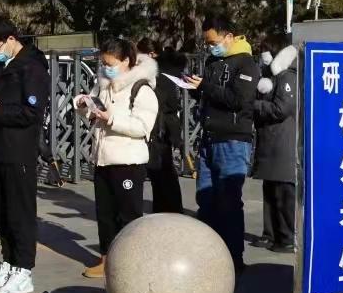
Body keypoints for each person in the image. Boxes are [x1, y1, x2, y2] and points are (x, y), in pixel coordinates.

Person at [0, 16, 50, 293]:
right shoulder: (1, 63)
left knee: (20, 212)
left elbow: (31, 113)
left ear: (10, 39)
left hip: (18, 149)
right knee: (0, 210)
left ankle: (24, 269)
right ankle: (7, 262)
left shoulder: (32, 67)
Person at [75, 39, 159, 278]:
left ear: (126, 61)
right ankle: (107, 259)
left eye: (110, 64)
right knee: (105, 214)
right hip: (103, 159)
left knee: (128, 214)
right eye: (103, 63)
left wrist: (111, 119)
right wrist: (83, 105)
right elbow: (92, 111)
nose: (106, 68)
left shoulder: (141, 88)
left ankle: (131, 262)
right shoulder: (103, 84)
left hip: (128, 162)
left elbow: (142, 127)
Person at [186, 16, 260, 275]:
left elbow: (239, 100)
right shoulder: (212, 62)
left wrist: (206, 86)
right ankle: (209, 254)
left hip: (233, 139)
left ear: (229, 36)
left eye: (213, 42)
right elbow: (212, 94)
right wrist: (196, 88)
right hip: (209, 137)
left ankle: (233, 258)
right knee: (206, 199)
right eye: (207, 43)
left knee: (229, 201)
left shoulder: (246, 63)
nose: (210, 47)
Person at [251, 42, 298, 253]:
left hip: (282, 142)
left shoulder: (288, 77)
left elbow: (282, 108)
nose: (264, 59)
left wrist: (255, 105)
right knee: (270, 190)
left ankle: (286, 236)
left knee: (283, 192)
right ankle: (269, 233)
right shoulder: (271, 77)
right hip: (270, 141)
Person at [145, 45, 185, 214]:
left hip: (159, 129)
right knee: (165, 173)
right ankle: (170, 210)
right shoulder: (170, 77)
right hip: (164, 129)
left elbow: (164, 105)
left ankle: (165, 210)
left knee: (161, 173)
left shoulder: (160, 77)